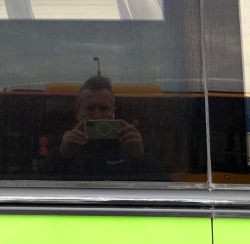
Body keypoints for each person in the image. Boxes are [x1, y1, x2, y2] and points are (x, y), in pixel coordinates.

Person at [40, 75, 169, 181]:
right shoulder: (64, 143)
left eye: (104, 108)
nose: (97, 115)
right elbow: (37, 185)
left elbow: (166, 186)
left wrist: (141, 158)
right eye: (90, 108)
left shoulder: (130, 143)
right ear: (77, 112)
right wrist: (61, 157)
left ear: (113, 112)